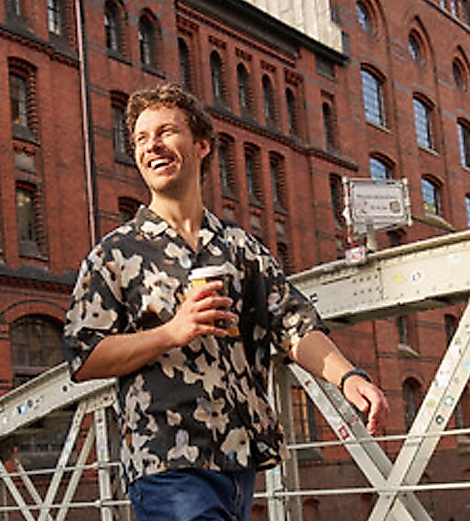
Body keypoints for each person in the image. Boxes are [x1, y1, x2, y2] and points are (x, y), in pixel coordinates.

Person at [64, 83, 389, 521]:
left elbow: (293, 324)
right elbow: (85, 357)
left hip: (240, 461)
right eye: (141, 139)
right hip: (166, 462)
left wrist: (348, 377)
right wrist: (170, 332)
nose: (151, 146)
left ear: (201, 145)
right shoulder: (116, 254)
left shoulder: (240, 248)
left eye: (165, 132)